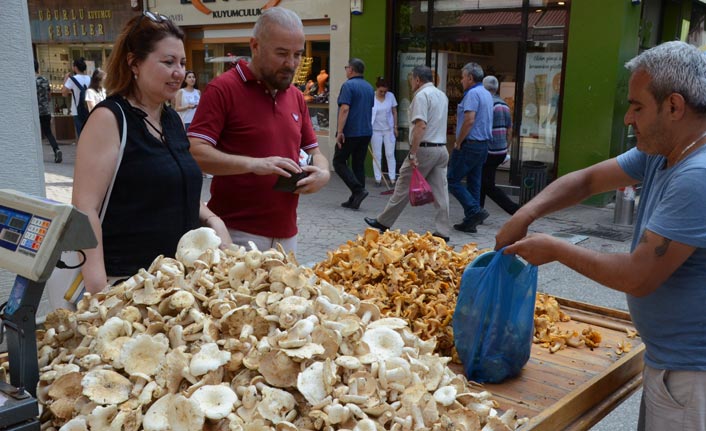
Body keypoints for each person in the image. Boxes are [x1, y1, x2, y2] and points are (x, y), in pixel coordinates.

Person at [497, 41, 706, 431]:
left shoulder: (697, 175)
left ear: (674, 107)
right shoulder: (664, 151)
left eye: (637, 106)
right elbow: (587, 180)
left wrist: (554, 247)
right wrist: (525, 212)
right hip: (670, 362)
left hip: (692, 374)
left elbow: (637, 276)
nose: (628, 118)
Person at [72, 11, 230, 294]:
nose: (179, 72)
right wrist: (98, 292)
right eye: (168, 62)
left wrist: (213, 219)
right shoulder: (110, 118)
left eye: (182, 63)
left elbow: (179, 188)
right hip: (127, 284)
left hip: (180, 281)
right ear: (134, 63)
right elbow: (85, 210)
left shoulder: (172, 120)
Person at [187, 7, 330, 254]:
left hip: (288, 234)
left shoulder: (295, 96)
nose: (291, 64)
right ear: (255, 46)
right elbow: (195, 153)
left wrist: (323, 173)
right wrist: (255, 165)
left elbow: (315, 151)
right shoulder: (223, 89)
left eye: (297, 54)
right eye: (282, 54)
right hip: (234, 233)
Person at [364, 66, 451, 242]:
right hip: (441, 148)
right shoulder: (442, 95)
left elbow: (421, 125)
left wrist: (413, 153)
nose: (411, 83)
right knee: (441, 190)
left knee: (403, 184)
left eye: (412, 79)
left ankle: (383, 222)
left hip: (425, 148)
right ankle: (443, 232)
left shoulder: (421, 95)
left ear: (417, 79)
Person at [448, 62, 494, 233]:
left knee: (452, 180)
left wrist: (458, 141)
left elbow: (469, 120)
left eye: (462, 77)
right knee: (474, 182)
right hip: (482, 145)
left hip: (470, 144)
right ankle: (471, 221)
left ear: (470, 78)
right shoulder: (486, 94)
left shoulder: (473, 94)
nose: (461, 81)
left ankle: (474, 211)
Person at [334, 58, 374, 210]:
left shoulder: (348, 85)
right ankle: (355, 198)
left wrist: (340, 132)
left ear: (351, 69)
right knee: (358, 164)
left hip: (350, 131)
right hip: (366, 131)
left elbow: (345, 109)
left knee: (338, 161)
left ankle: (358, 190)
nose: (346, 70)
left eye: (346, 68)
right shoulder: (369, 87)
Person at [481, 75, 519, 215]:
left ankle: (513, 208)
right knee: (483, 181)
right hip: (500, 150)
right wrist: (506, 147)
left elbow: (483, 127)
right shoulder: (504, 105)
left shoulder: (488, 104)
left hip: (489, 151)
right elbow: (510, 130)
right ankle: (477, 211)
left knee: (488, 184)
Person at [371, 76, 398, 187]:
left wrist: (395, 126)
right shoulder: (371, 96)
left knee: (390, 154)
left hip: (388, 130)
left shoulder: (390, 96)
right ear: (377, 88)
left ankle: (392, 178)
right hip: (375, 130)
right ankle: (378, 178)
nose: (383, 93)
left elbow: (394, 111)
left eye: (385, 91)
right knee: (377, 155)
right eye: (381, 91)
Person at [35, 60, 62, 163]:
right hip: (45, 110)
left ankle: (36, 156)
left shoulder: (30, 81)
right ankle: (56, 149)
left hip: (35, 111)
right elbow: (49, 96)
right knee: (48, 133)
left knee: (34, 134)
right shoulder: (45, 79)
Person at [62, 57, 91, 138]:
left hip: (77, 111)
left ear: (75, 67)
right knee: (90, 134)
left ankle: (83, 150)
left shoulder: (72, 79)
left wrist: (65, 79)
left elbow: (64, 93)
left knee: (81, 135)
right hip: (89, 110)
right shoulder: (90, 78)